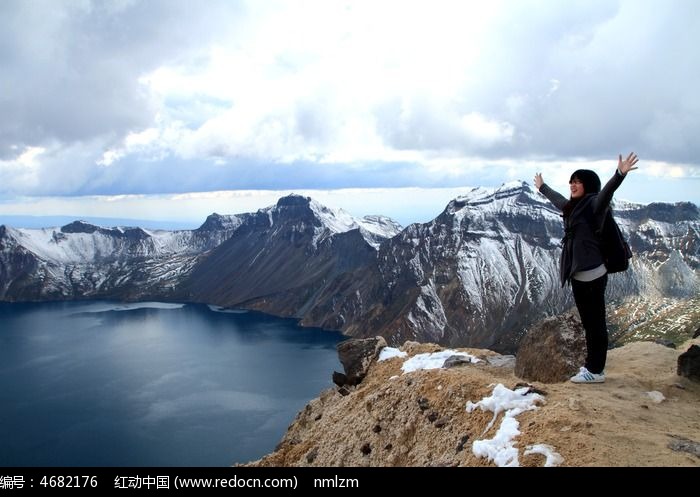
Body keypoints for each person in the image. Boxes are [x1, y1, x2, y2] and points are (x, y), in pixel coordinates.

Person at [533, 153, 639, 384]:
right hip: (579, 276)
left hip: (593, 274)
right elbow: (558, 200)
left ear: (588, 185)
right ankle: (592, 367)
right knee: (589, 323)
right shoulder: (573, 207)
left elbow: (606, 194)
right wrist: (543, 188)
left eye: (578, 181)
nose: (573, 184)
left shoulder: (593, 204)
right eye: (571, 181)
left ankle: (596, 371)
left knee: (596, 324)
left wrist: (619, 174)